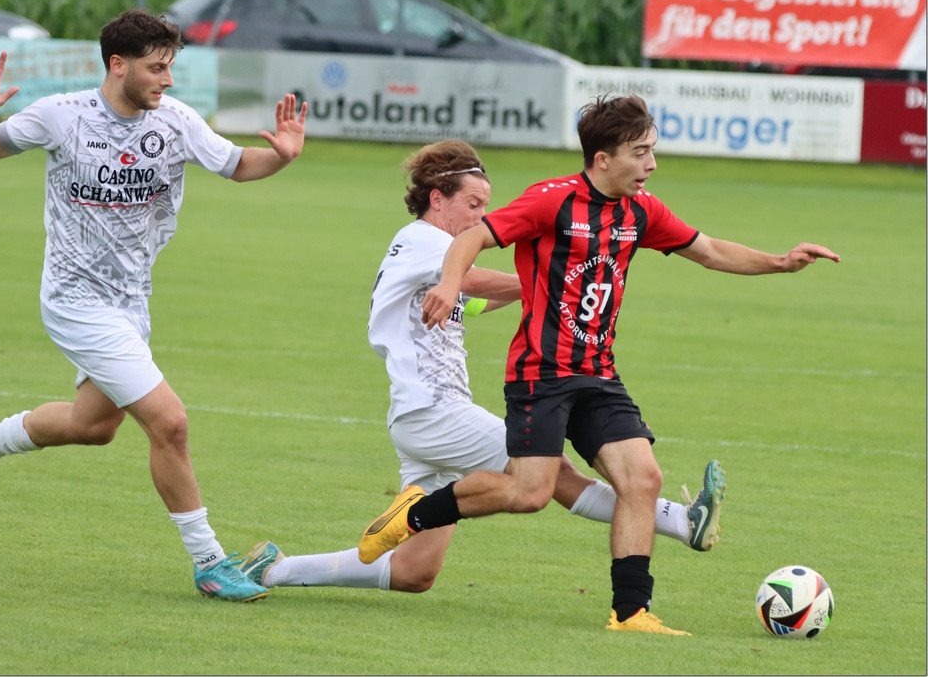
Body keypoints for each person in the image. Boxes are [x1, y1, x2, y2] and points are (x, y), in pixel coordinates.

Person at [358, 95, 840, 635]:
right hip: (541, 373)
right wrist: (451, 284)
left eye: (652, 151)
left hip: (599, 373)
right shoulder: (552, 200)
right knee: (530, 493)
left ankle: (631, 612)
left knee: (644, 478)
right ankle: (413, 515)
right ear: (603, 158)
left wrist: (780, 262)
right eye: (641, 153)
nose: (651, 164)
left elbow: (708, 250)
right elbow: (472, 237)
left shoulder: (643, 210)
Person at [237, 140, 724, 595]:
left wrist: (542, 288)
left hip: (424, 419)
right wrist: (551, 277)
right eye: (473, 204)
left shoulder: (432, 258)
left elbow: (475, 299)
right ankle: (682, 521)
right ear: (437, 199)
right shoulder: (424, 240)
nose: (481, 217)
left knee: (414, 572)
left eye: (485, 206)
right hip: (434, 411)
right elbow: (473, 278)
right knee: (548, 474)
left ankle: (276, 569)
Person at [0, 10, 307, 602]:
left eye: (171, 67)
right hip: (75, 301)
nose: (168, 79)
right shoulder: (61, 116)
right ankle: (209, 561)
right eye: (157, 68)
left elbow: (239, 165)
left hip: (131, 301)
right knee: (170, 423)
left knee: (94, 426)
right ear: (118, 64)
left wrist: (283, 155)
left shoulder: (176, 121)